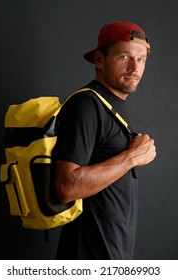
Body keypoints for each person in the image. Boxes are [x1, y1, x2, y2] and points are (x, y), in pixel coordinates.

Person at [53, 21, 156, 260]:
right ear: (99, 60)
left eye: (141, 60)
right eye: (124, 57)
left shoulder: (112, 103)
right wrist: (132, 157)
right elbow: (66, 187)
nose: (134, 68)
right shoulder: (87, 105)